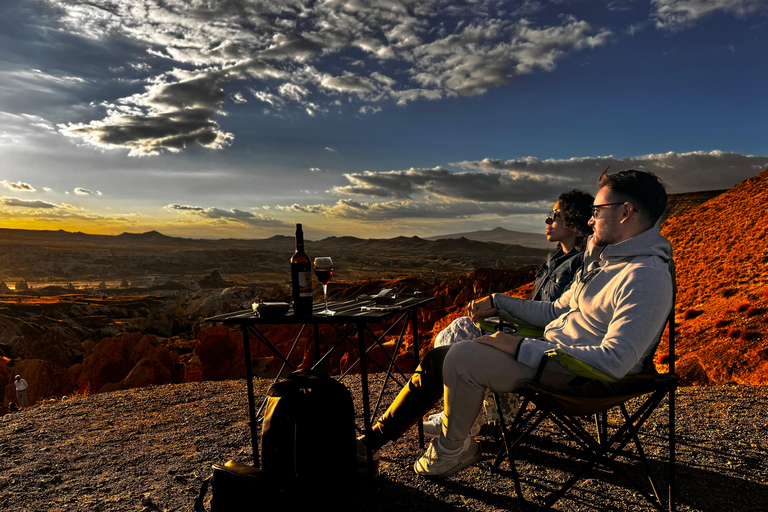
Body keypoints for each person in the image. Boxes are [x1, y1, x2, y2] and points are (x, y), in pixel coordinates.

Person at [357, 169, 673, 478]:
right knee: (444, 352)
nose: (590, 220)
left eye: (596, 211)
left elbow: (614, 363)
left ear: (625, 212)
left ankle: (452, 449)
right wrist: (498, 303)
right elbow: (554, 311)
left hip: (583, 379)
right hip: (557, 357)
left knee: (462, 358)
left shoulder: (645, 276)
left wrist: (521, 346)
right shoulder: (608, 263)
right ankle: (374, 440)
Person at [425, 189, 593, 436]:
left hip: (546, 342)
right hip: (530, 330)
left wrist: (502, 306)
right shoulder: (555, 258)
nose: (547, 221)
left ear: (574, 221)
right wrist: (499, 311)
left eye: (555, 216)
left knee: (462, 331)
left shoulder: (582, 264)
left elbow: (558, 314)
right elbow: (537, 305)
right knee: (461, 327)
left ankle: (463, 420)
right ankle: (472, 416)